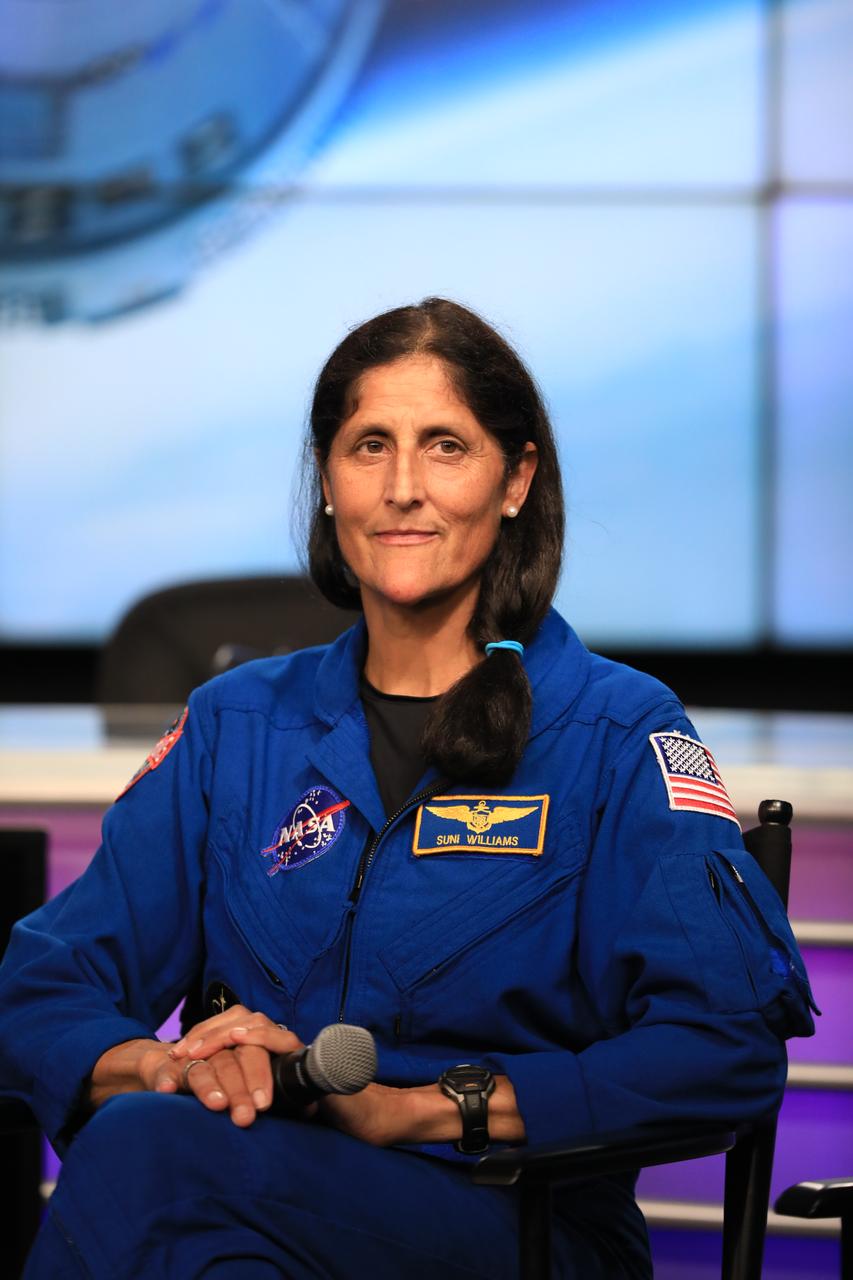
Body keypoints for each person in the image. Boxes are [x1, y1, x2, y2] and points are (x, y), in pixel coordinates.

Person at [0, 298, 816, 1279]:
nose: (400, 489)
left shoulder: (616, 730)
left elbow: (725, 1048)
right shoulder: (236, 724)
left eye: (444, 447)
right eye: (369, 446)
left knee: (149, 1158)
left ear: (514, 480)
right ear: (327, 481)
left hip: (519, 1225)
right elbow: (40, 985)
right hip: (246, 1191)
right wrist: (172, 1067)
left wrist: (421, 1108)